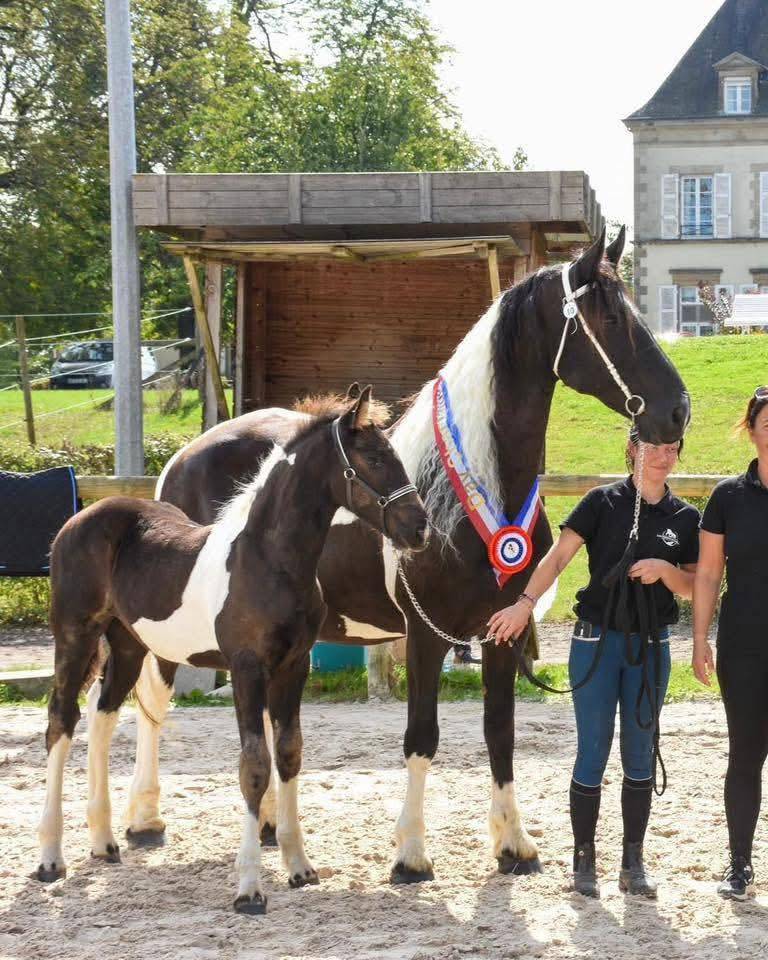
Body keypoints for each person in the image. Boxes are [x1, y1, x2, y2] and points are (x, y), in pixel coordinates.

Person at [488, 427, 699, 899]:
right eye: (652, 447)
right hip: (595, 641)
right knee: (592, 750)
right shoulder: (601, 502)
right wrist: (524, 604)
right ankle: (584, 861)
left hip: (650, 645)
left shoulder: (684, 517)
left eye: (671, 449)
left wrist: (665, 572)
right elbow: (558, 557)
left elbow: (693, 586)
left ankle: (633, 861)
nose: (663, 457)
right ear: (631, 449)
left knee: (640, 753)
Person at [693, 387, 768, 901]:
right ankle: (739, 864)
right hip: (744, 647)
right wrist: (699, 638)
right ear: (751, 428)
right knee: (746, 754)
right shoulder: (728, 497)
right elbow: (707, 575)